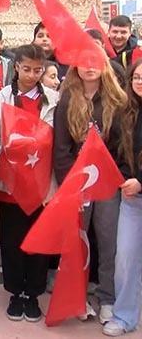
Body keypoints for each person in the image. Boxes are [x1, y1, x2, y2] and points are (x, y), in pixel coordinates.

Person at [54, 62, 126, 324]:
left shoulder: (116, 100)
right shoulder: (67, 101)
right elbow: (61, 150)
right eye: (83, 62)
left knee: (109, 242)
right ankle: (77, 297)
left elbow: (122, 144)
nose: (89, 68)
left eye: (94, 61)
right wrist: (69, 186)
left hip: (107, 182)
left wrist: (117, 176)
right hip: (78, 183)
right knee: (77, 242)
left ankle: (107, 297)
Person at [0, 44, 59, 323]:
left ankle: (33, 294)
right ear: (16, 66)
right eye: (27, 69)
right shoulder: (1, 99)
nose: (32, 75)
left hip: (42, 185)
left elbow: (58, 144)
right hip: (12, 185)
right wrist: (4, 159)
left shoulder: (54, 99)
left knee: (38, 241)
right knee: (13, 241)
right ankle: (15, 292)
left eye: (37, 70)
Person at [105, 59, 142, 336]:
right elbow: (113, 152)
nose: (140, 82)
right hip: (132, 200)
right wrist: (122, 178)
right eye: (137, 77)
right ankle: (124, 315)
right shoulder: (124, 113)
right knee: (125, 258)